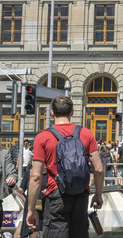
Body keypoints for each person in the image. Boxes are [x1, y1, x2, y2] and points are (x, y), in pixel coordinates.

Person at [27, 95, 103, 238]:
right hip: (81, 194)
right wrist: (98, 195)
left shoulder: (42, 137)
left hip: (56, 195)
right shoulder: (86, 133)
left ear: (52, 112)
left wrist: (31, 209)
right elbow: (98, 169)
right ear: (72, 112)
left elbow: (36, 177)